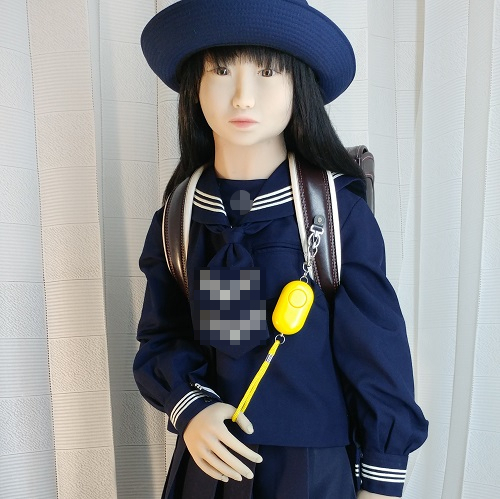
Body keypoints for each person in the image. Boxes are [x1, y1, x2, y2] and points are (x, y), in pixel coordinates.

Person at [134, 1, 428, 498]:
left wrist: (381, 477)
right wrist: (191, 408)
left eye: (268, 72)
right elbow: (162, 336)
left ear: (299, 87)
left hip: (311, 473)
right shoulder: (177, 222)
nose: (243, 97)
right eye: (221, 71)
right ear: (194, 86)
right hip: (208, 469)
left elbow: (377, 354)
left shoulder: (336, 215)